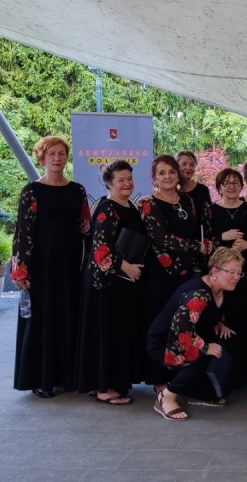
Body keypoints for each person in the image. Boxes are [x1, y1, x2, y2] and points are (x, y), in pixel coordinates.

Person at [10, 136, 90, 398]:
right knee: (42, 320)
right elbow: (23, 232)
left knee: (68, 316)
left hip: (70, 265)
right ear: (42, 158)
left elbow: (85, 227)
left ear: (67, 158)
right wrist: (20, 270)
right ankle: (41, 379)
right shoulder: (31, 191)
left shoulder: (77, 190)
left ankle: (68, 377)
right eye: (51, 154)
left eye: (61, 153)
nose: (57, 158)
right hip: (41, 265)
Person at [146, 248, 246, 420]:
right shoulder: (198, 294)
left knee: (233, 343)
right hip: (165, 342)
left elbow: (206, 313)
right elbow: (181, 328)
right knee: (198, 356)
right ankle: (166, 397)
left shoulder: (221, 288)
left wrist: (219, 324)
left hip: (190, 334)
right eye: (231, 272)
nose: (236, 277)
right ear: (215, 272)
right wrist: (205, 347)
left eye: (239, 273)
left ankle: (200, 392)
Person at [140, 154, 211, 391]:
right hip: (160, 273)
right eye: (161, 173)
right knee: (160, 325)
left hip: (187, 272)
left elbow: (197, 230)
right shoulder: (148, 204)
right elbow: (162, 240)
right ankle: (159, 379)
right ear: (154, 178)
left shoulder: (187, 200)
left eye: (171, 171)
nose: (167, 177)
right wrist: (197, 246)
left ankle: (181, 378)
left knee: (183, 324)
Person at [75, 160, 144, 405]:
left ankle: (109, 383)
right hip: (106, 284)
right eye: (121, 180)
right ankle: (103, 388)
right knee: (105, 334)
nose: (127, 184)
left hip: (122, 283)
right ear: (109, 183)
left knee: (116, 334)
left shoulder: (129, 205)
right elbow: (100, 246)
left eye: (129, 178)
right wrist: (126, 266)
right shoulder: (107, 207)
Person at [206, 167, 247, 377]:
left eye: (236, 183)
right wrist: (222, 237)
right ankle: (225, 372)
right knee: (224, 318)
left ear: (242, 186)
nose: (231, 187)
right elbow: (203, 243)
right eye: (227, 183)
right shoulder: (211, 210)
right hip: (221, 277)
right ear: (219, 187)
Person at [177, 150, 213, 217]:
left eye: (192, 165)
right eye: (184, 164)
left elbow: (209, 215)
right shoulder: (172, 190)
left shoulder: (202, 190)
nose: (188, 168)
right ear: (176, 166)